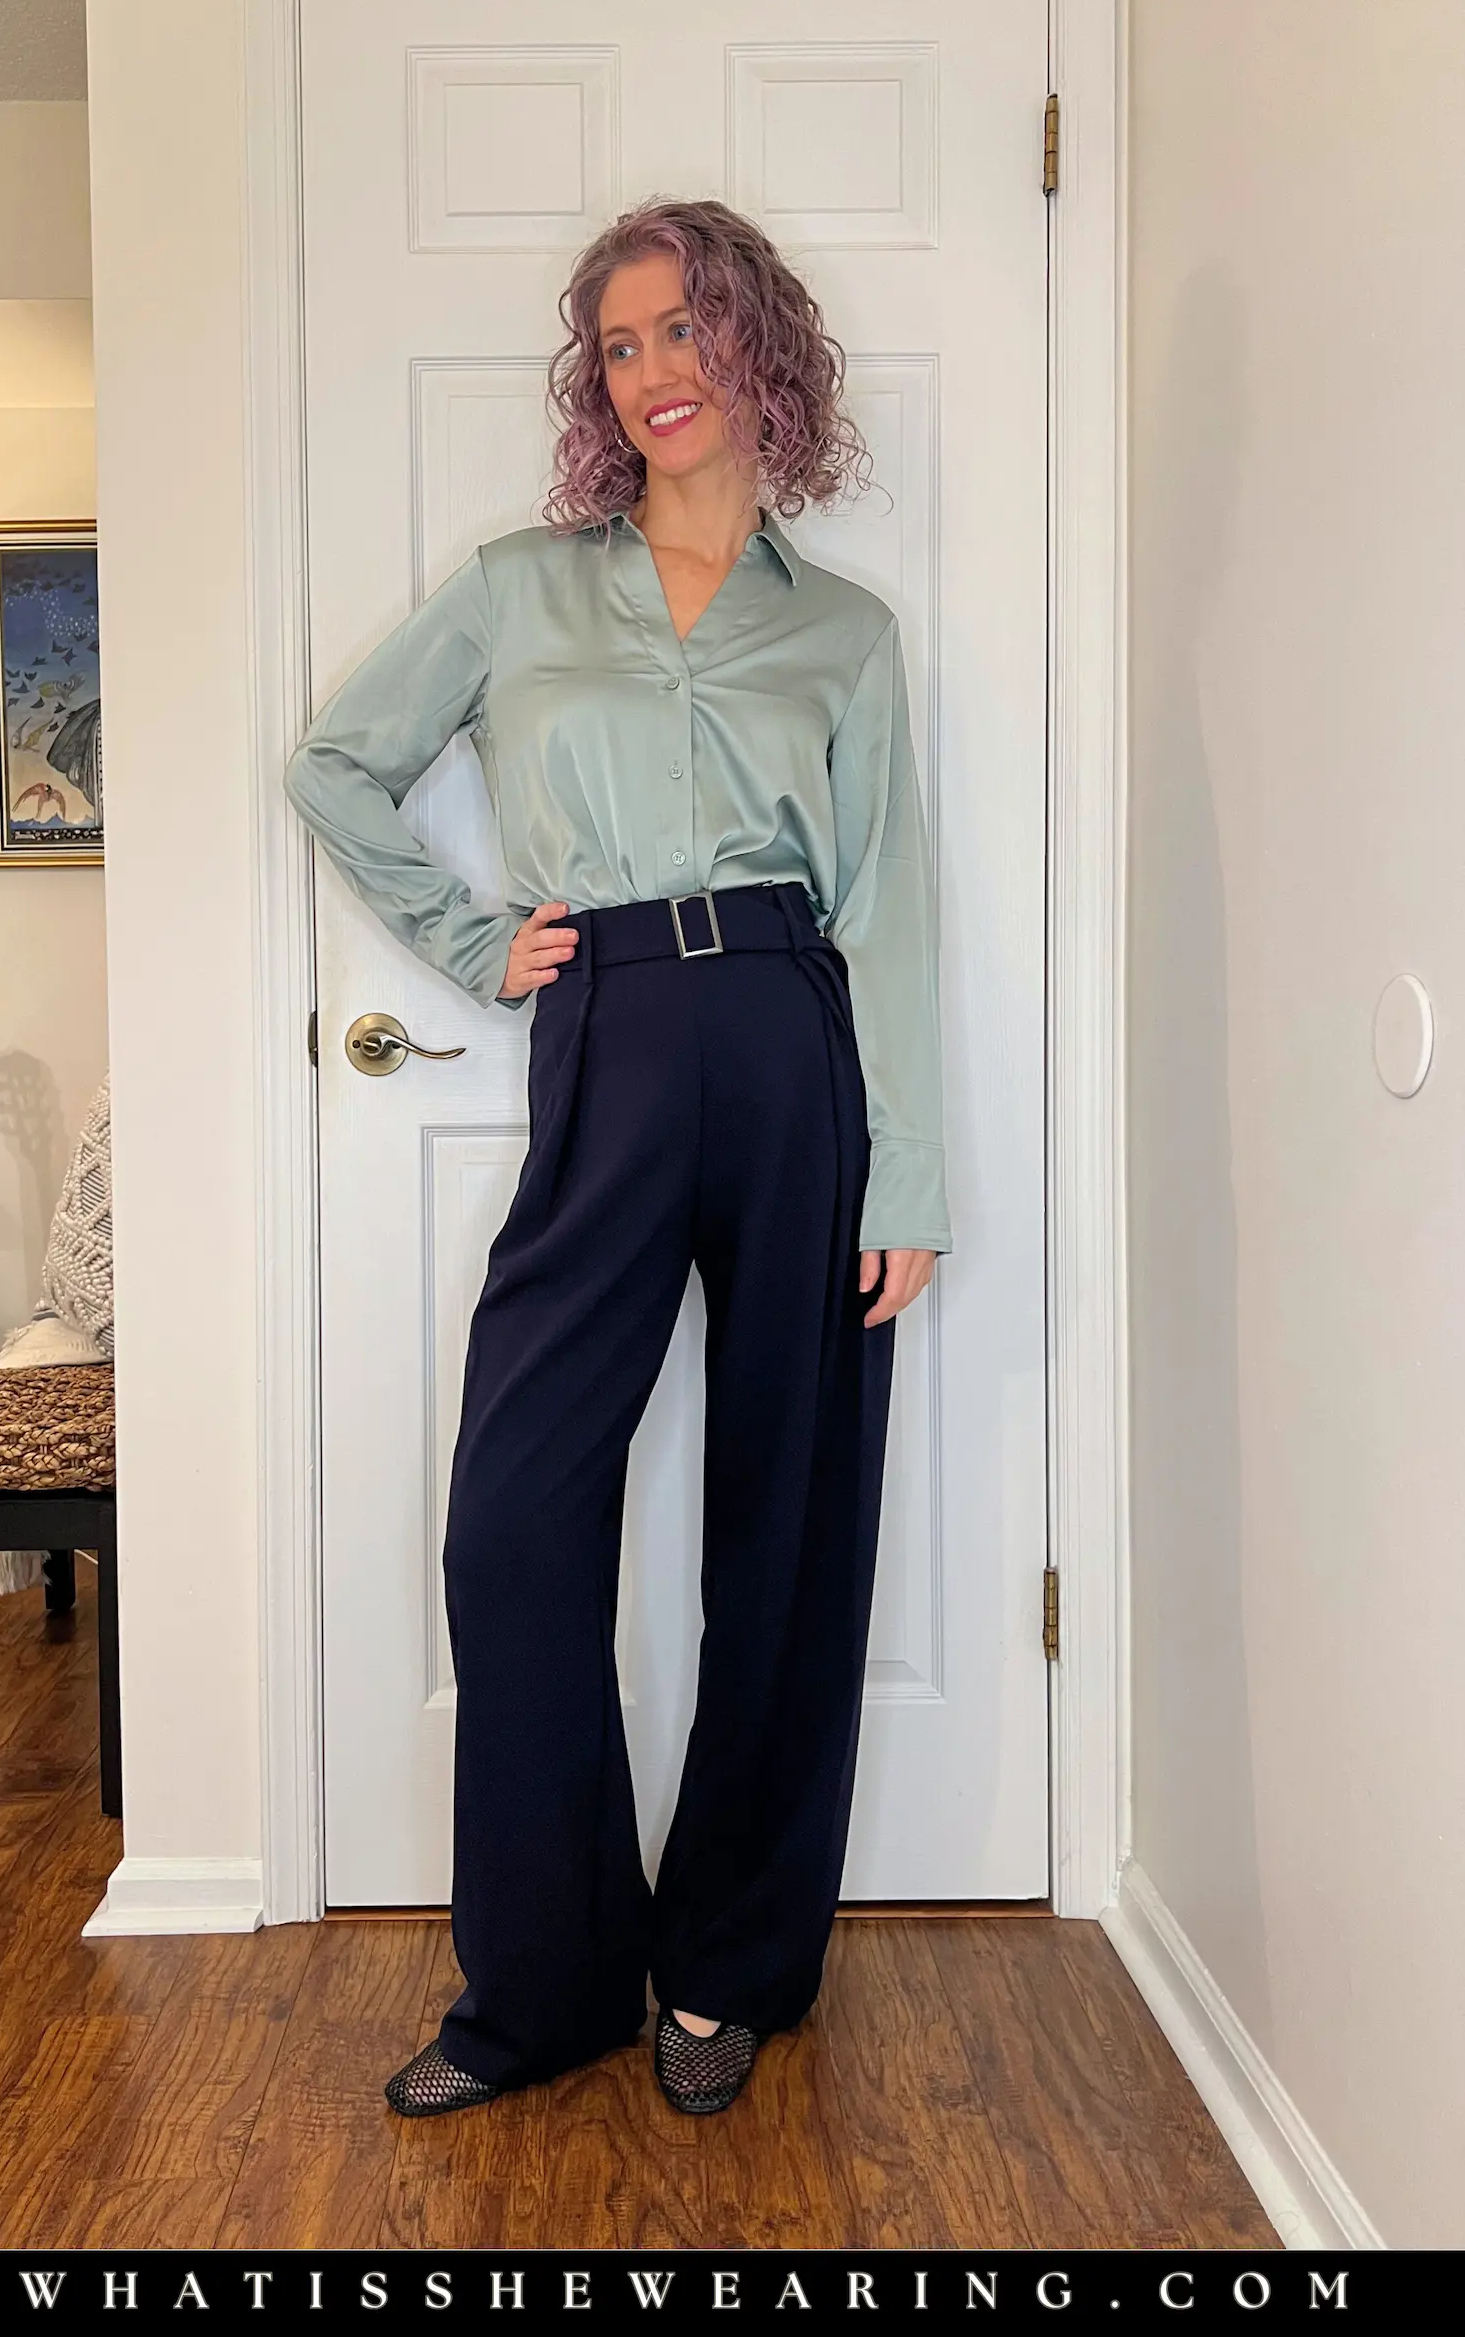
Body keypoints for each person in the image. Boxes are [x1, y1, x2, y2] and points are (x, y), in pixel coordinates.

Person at [284, 198, 952, 2120]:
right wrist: (477, 940)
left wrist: (901, 1172)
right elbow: (335, 765)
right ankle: (549, 1981)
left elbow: (888, 909)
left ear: (759, 349)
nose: (651, 372)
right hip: (602, 1040)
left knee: (788, 1513)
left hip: (785, 1031)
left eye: (684, 331)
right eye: (620, 345)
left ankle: (727, 1967)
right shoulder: (516, 590)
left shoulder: (843, 634)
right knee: (515, 1518)